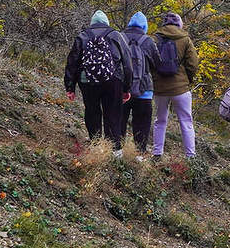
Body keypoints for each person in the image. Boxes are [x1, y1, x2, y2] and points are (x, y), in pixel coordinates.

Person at [63, 10, 134, 153]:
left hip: (87, 81)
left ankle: (96, 147)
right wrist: (126, 88)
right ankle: (115, 152)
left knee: (92, 112)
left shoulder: (83, 36)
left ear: (92, 23)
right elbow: (127, 63)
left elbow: (72, 62)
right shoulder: (116, 36)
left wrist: (70, 86)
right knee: (113, 114)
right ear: (107, 23)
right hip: (113, 81)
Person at [151, 12, 199, 160]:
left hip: (159, 88)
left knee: (160, 121)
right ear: (179, 24)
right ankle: (190, 156)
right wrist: (188, 80)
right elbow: (193, 64)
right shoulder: (185, 39)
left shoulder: (154, 38)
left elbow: (149, 61)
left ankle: (157, 153)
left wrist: (154, 78)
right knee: (186, 121)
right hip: (181, 89)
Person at [121, 11, 158, 155]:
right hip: (144, 91)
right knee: (142, 125)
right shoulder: (148, 41)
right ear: (145, 26)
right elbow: (157, 64)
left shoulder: (120, 37)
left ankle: (117, 152)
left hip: (122, 91)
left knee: (119, 122)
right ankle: (139, 154)